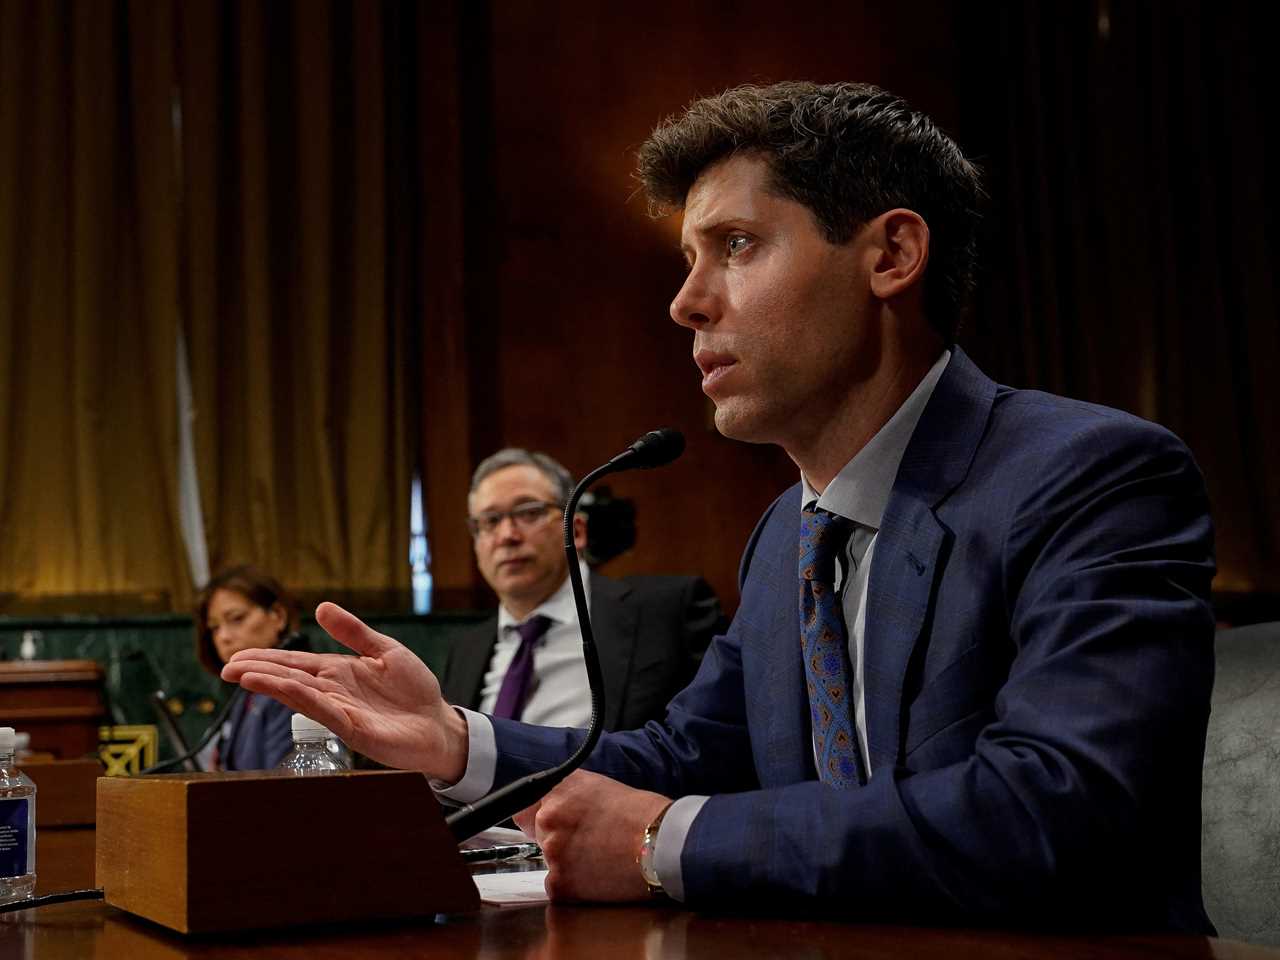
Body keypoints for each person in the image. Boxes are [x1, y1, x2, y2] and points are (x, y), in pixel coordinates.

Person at [222, 82, 1216, 933]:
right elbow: (685, 751)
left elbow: (1059, 809)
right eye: (688, 262)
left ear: (888, 256)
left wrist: (663, 841)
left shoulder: (1093, 475)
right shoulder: (788, 529)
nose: (686, 304)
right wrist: (456, 740)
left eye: (734, 245)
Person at [440, 448, 723, 730]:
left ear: (575, 531)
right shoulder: (465, 651)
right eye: (490, 521)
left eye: (529, 512)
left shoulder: (667, 611)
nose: (507, 536)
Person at [195, 564, 308, 770]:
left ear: (278, 615)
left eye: (237, 619)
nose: (223, 637)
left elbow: (283, 786)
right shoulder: (248, 690)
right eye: (214, 627)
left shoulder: (292, 688)